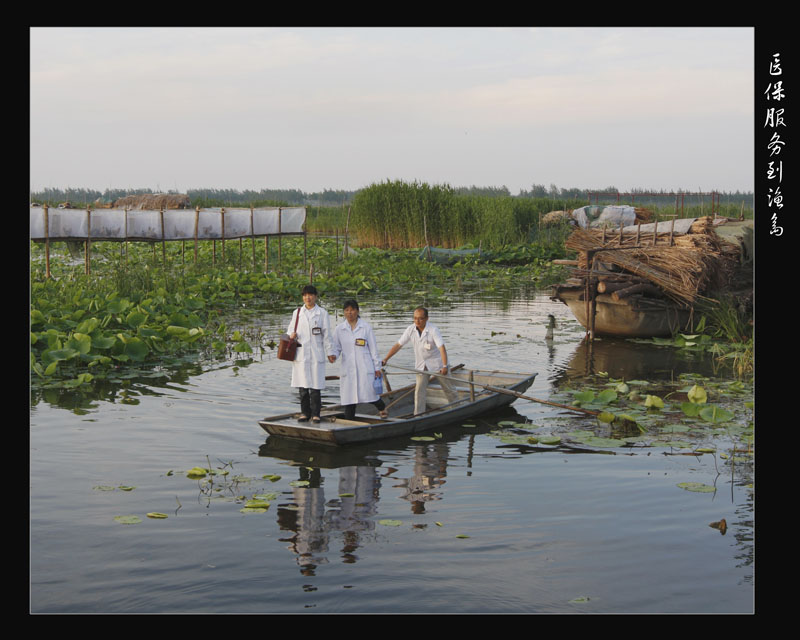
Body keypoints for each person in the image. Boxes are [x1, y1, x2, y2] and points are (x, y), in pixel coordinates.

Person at [381, 306, 458, 415]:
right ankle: (419, 414)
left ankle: (456, 408)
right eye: (415, 318)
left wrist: (445, 366)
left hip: (438, 364)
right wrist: (386, 359)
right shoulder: (410, 329)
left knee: (449, 389)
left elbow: (442, 348)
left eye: (420, 318)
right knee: (419, 391)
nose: (417, 321)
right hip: (422, 364)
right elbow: (399, 345)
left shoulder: (433, 330)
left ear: (427, 318)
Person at [330, 299, 388, 420]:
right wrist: (333, 355)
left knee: (371, 395)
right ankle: (349, 424)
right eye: (346, 310)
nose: (349, 313)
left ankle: (382, 407)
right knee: (349, 399)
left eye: (352, 310)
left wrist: (377, 367)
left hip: (364, 367)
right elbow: (336, 348)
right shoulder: (339, 329)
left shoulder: (365, 328)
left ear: (357, 311)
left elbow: (373, 349)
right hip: (348, 368)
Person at [288, 285, 335, 423]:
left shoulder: (322, 313)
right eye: (305, 295)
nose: (307, 298)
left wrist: (330, 352)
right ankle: (304, 413)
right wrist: (292, 335)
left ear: (315, 296)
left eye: (310, 295)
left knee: (315, 386)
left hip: (316, 353)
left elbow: (327, 335)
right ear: (302, 297)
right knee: (302, 386)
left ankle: (316, 414)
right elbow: (289, 330)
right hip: (301, 355)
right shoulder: (297, 313)